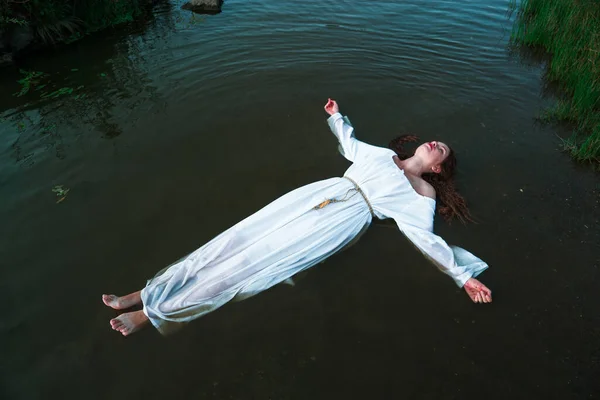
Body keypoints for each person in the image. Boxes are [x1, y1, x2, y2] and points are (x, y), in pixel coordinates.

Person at [103, 99, 492, 337]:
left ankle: (153, 316)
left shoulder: (422, 195)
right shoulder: (381, 156)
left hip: (341, 222)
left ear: (439, 169)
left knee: (253, 267)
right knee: (234, 240)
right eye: (435, 140)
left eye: (442, 150)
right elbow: (349, 145)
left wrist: (463, 277)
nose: (436, 143)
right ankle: (146, 291)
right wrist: (338, 117)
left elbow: (426, 239)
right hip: (315, 196)